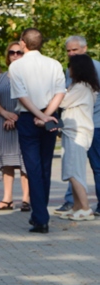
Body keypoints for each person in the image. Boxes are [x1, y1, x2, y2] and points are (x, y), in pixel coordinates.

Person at [7, 27, 66, 233]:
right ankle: (40, 213)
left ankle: (40, 217)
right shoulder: (54, 64)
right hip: (50, 115)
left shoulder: (17, 66)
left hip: (28, 117)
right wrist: (47, 115)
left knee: (33, 168)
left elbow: (22, 96)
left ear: (23, 43)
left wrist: (39, 117)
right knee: (45, 166)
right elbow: (60, 92)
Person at [56, 36, 100, 215]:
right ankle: (75, 204)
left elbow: (64, 99)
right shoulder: (72, 71)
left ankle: (85, 206)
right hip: (76, 124)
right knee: (74, 167)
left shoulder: (93, 69)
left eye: (75, 50)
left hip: (92, 125)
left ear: (85, 48)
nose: (71, 54)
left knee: (93, 167)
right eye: (68, 51)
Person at [0, 44, 30, 212]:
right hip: (3, 123)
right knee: (7, 162)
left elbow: (32, 99)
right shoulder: (1, 78)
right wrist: (6, 114)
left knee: (24, 162)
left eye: (18, 52)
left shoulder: (29, 76)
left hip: (23, 121)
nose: (15, 55)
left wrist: (16, 116)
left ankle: (26, 199)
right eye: (11, 52)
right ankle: (7, 199)